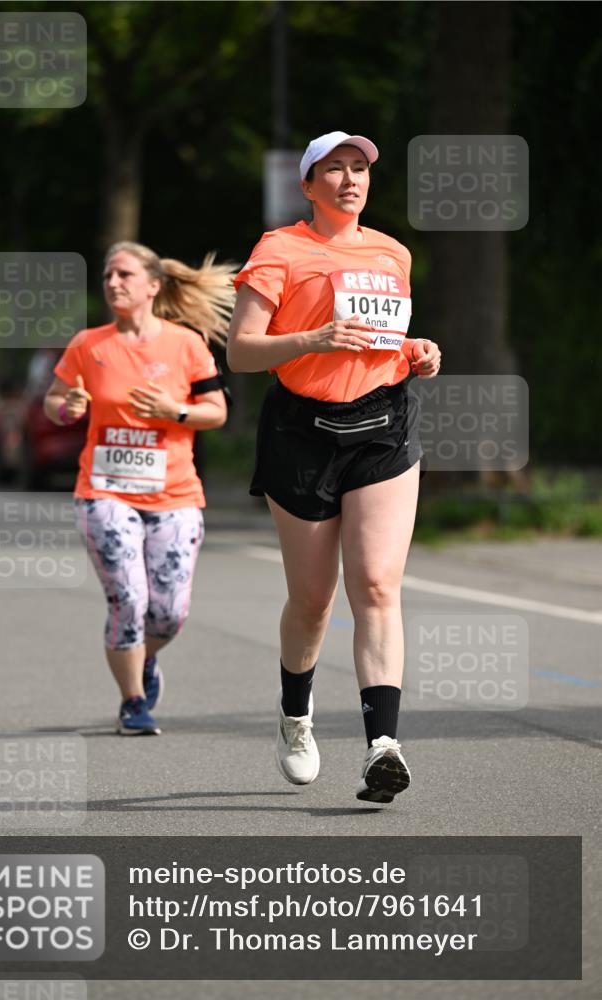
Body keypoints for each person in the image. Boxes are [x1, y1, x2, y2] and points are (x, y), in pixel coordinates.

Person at [227, 131, 441, 803]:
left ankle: (383, 745)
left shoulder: (392, 252)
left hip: (383, 424)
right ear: (308, 185)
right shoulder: (278, 250)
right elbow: (241, 352)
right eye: (334, 170)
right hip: (302, 431)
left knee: (377, 584)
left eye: (359, 169)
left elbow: (383, 340)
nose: (350, 179)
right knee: (313, 600)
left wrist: (416, 352)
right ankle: (296, 716)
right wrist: (311, 339)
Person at [45, 241, 234, 734]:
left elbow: (217, 412)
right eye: (108, 275)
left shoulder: (186, 344)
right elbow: (54, 400)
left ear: (153, 285)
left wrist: (174, 412)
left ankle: (143, 661)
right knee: (129, 598)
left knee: (169, 612)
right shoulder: (89, 344)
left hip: (175, 495)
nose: (113, 283)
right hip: (104, 492)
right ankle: (133, 701)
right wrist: (68, 408)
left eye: (124, 275)